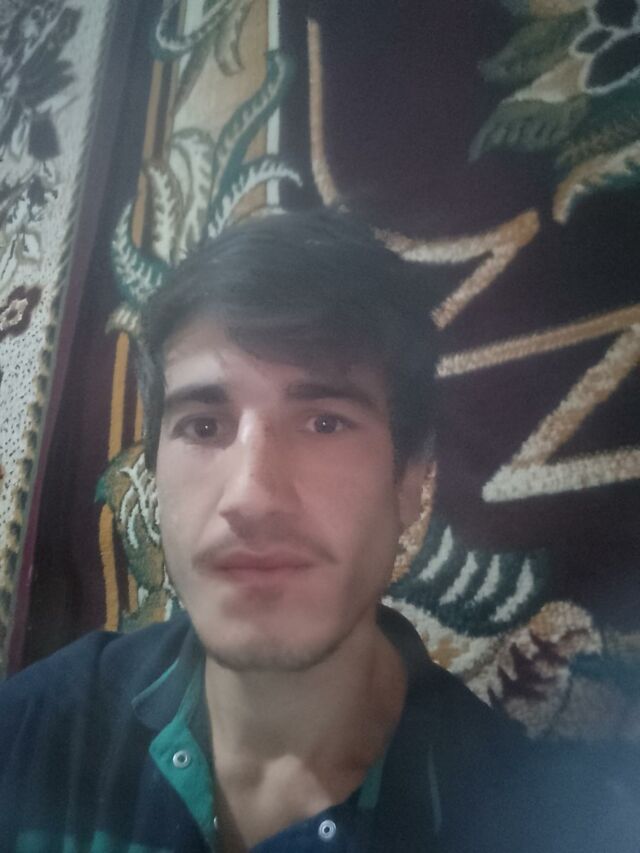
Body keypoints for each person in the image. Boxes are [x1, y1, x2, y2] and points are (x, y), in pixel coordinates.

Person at [0, 208, 635, 852]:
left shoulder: (532, 825)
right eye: (204, 426)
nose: (251, 498)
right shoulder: (32, 732)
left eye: (325, 423)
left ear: (412, 479)